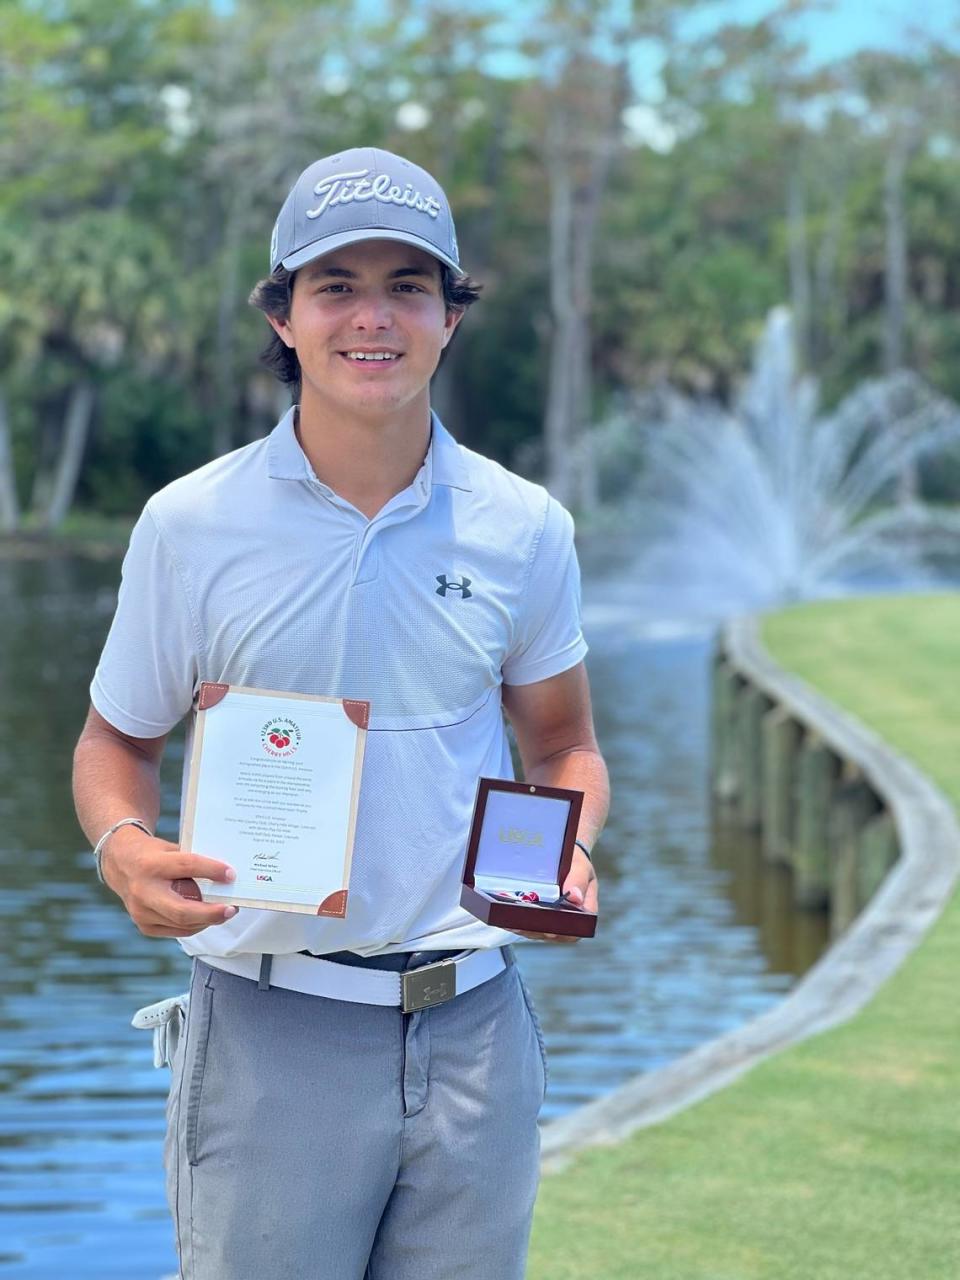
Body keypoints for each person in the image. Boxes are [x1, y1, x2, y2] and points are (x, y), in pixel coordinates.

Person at [72, 146, 610, 1280]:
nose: (374, 317)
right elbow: (118, 740)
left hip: (474, 1030)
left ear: (450, 318)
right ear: (283, 317)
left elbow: (560, 743)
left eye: (408, 284)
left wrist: (561, 847)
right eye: (336, 286)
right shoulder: (192, 523)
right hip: (271, 1030)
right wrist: (123, 847)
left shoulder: (524, 527)